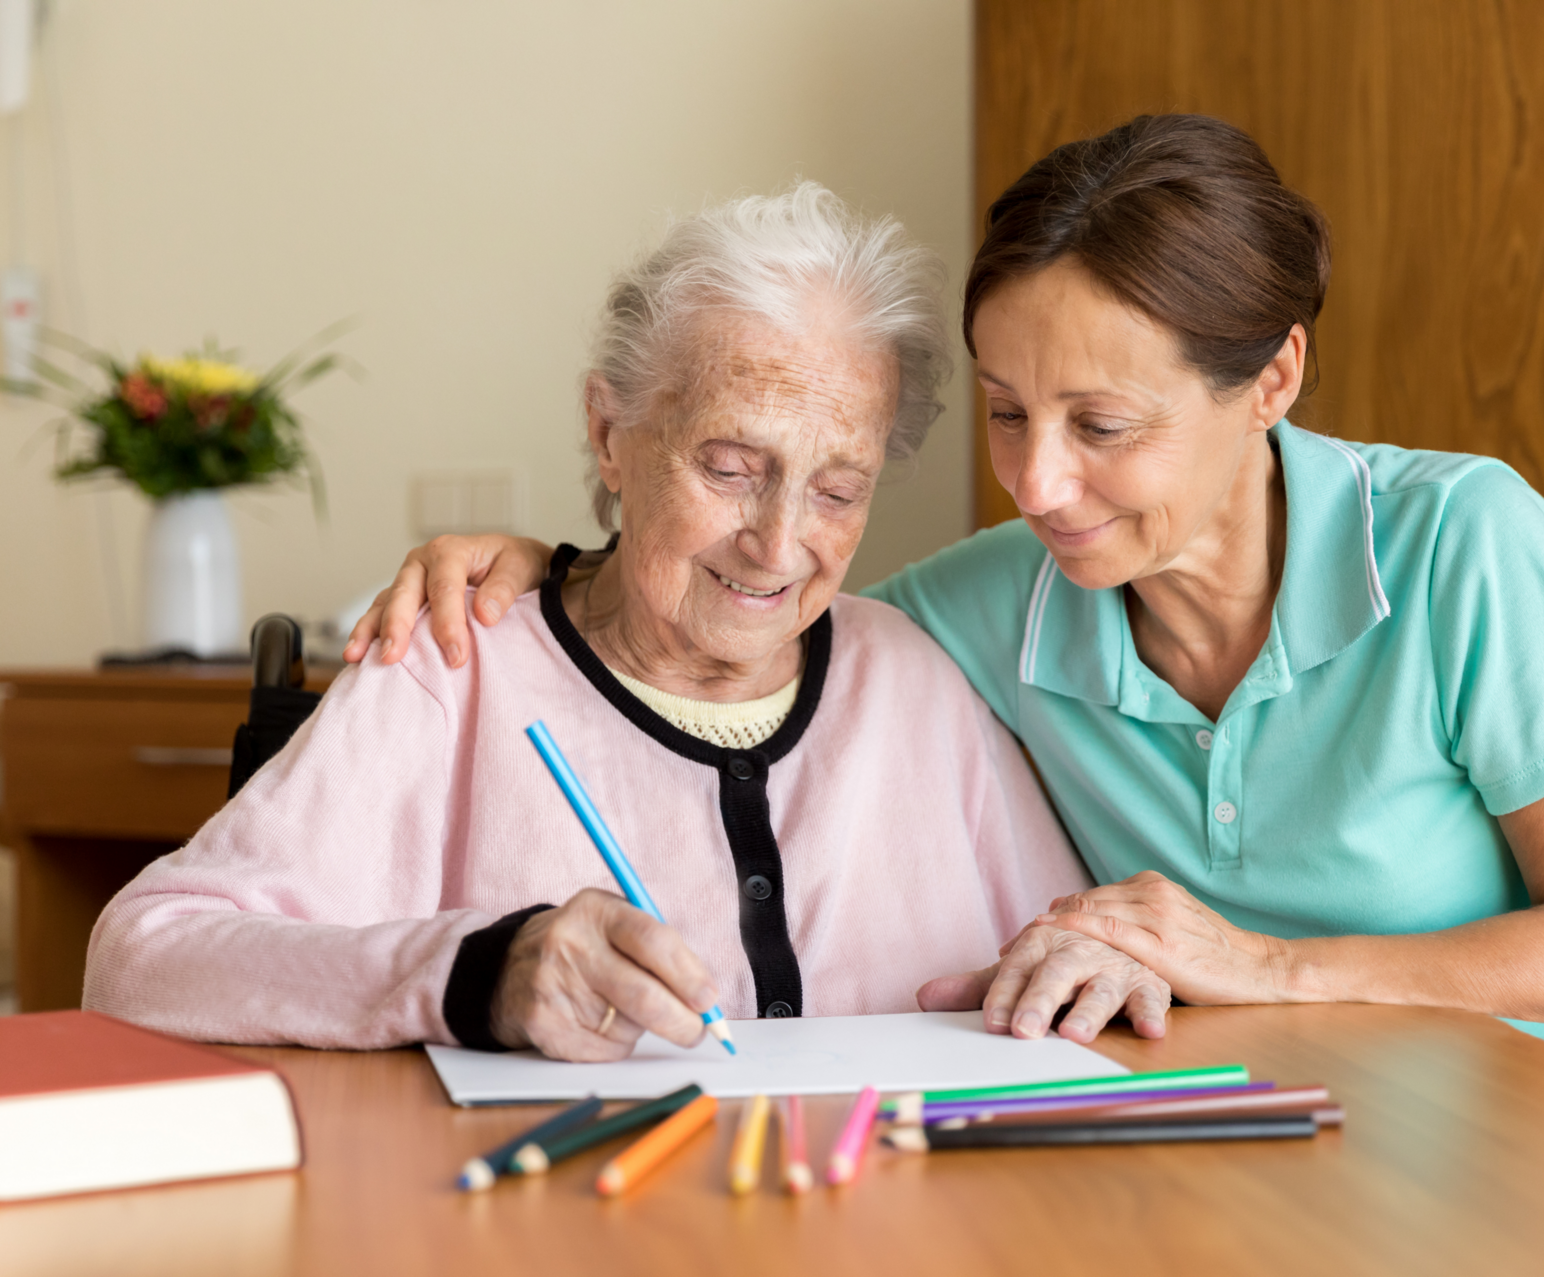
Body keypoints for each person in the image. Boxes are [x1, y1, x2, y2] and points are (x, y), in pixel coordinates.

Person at [360, 116, 1544, 1115]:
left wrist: (1260, 963)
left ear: (1271, 380)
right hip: (1303, 1134)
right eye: (1010, 413)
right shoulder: (993, 601)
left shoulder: (1461, 543)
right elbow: (749, 614)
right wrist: (557, 557)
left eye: (1100, 425)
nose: (1037, 482)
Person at [84, 183, 1148, 1061]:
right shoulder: (455, 659)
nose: (777, 544)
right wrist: (473, 972)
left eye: (836, 489)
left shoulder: (911, 679)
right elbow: (140, 952)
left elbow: (1083, 948)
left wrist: (1104, 966)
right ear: (611, 433)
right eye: (731, 469)